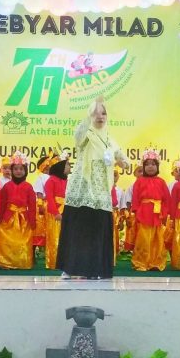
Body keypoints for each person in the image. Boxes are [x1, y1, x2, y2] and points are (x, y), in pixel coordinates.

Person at [57, 97, 129, 279]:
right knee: (78, 228)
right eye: (95, 113)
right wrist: (93, 109)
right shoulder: (85, 135)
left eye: (103, 113)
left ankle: (95, 269)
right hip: (82, 189)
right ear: (89, 115)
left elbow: (121, 156)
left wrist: (124, 162)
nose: (100, 116)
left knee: (97, 229)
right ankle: (69, 268)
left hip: (101, 191)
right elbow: (78, 135)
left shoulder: (110, 140)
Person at [130, 148, 170, 272]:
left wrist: (164, 213)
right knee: (143, 239)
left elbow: (166, 200)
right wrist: (136, 212)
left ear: (157, 167)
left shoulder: (161, 182)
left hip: (157, 215)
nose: (150, 167)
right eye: (147, 164)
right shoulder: (139, 182)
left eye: (153, 164)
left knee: (157, 239)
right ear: (143, 167)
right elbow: (135, 199)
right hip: (143, 214)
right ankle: (141, 262)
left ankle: (155, 262)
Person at [0, 151, 36, 269]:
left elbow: (32, 205)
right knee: (7, 240)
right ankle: (6, 262)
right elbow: (2, 203)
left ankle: (22, 262)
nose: (18, 171)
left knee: (22, 241)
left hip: (24, 218)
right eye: (16, 169)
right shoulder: (6, 187)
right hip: (8, 217)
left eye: (21, 169)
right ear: (12, 171)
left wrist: (32, 221)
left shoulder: (29, 187)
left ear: (25, 171)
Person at [44, 150, 70, 269]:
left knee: (66, 238)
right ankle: (54, 262)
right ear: (60, 166)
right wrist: (55, 213)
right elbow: (49, 199)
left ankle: (66, 261)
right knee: (55, 237)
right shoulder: (51, 180)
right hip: (55, 213)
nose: (69, 167)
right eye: (67, 165)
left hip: (66, 212)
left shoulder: (67, 181)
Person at [32, 155, 51, 249]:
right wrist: (40, 206)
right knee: (40, 229)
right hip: (43, 205)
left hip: (50, 206)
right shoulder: (41, 177)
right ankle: (38, 251)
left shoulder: (51, 177)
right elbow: (39, 193)